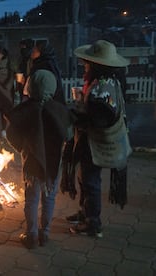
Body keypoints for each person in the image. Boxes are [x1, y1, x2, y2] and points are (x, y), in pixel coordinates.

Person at [64, 40, 131, 237]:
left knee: (90, 180)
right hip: (90, 141)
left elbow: (100, 117)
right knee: (84, 177)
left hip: (96, 142)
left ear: (97, 65)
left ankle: (93, 222)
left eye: (87, 63)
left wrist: (78, 115)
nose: (85, 65)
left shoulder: (104, 86)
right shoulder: (102, 81)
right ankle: (85, 212)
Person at [5, 69, 74, 249]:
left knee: (32, 199)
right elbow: (68, 134)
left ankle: (32, 235)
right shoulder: (59, 109)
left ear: (31, 85)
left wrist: (22, 148)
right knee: (49, 198)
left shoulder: (24, 110)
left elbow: (11, 133)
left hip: (32, 162)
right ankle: (45, 233)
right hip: (53, 163)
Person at [16, 39, 34, 103]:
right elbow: (19, 71)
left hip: (31, 82)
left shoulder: (33, 58)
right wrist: (18, 83)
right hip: (22, 82)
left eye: (23, 47)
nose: (21, 49)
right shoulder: (21, 58)